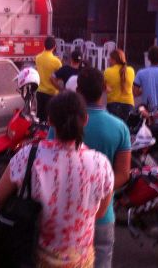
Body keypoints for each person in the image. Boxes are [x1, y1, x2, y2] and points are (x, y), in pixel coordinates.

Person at [0, 91, 114, 267]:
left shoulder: (28, 157)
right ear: (85, 120)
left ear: (49, 121)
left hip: (36, 257)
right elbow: (100, 212)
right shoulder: (100, 163)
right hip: (80, 261)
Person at [49, 67, 131, 268]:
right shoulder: (120, 127)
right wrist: (98, 191)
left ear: (78, 90)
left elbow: (51, 163)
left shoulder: (60, 124)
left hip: (65, 215)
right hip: (103, 216)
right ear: (104, 89)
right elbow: (123, 174)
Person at [34, 36, 62, 121]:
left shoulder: (38, 58)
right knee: (50, 120)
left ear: (44, 45)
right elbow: (60, 78)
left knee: (40, 117)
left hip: (39, 91)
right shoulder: (56, 61)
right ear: (54, 47)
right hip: (51, 93)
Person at [103, 49, 135, 121]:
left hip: (113, 103)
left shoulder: (108, 71)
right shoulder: (131, 70)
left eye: (110, 59)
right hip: (128, 104)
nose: (109, 61)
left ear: (114, 60)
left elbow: (104, 88)